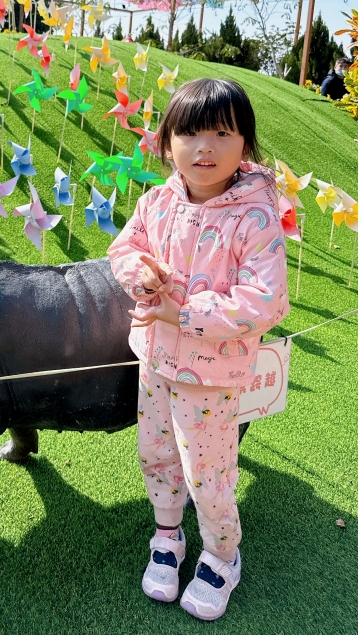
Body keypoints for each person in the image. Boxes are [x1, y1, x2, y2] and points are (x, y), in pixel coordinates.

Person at [106, 78, 288, 622]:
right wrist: (141, 276)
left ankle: (221, 554)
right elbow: (125, 248)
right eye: (189, 133)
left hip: (210, 373)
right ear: (166, 141)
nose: (204, 147)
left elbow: (266, 300)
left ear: (245, 145)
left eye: (221, 133)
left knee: (207, 469)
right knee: (156, 453)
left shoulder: (254, 215)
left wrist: (182, 313)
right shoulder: (157, 201)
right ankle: (168, 533)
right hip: (156, 359)